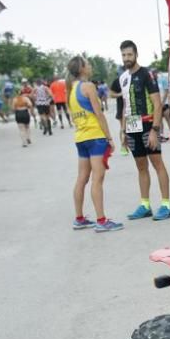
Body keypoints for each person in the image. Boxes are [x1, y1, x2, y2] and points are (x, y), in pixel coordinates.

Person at [118, 40, 170, 220]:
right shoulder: (123, 77)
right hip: (132, 127)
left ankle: (166, 205)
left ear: (136, 54)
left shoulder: (147, 74)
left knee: (158, 164)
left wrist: (155, 130)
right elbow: (126, 104)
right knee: (141, 167)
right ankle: (145, 205)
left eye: (129, 54)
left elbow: (157, 103)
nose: (126, 58)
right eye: (124, 55)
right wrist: (123, 130)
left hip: (148, 125)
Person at [66, 56, 122, 232]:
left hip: (81, 138)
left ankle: (79, 218)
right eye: (87, 64)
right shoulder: (88, 87)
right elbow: (99, 114)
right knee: (97, 179)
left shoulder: (71, 89)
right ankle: (101, 220)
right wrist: (110, 138)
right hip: (95, 137)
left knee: (82, 178)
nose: (90, 66)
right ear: (82, 68)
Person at [109, 74, 129, 155]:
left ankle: (133, 145)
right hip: (121, 107)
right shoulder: (118, 80)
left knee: (134, 128)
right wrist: (120, 94)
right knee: (123, 128)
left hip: (135, 106)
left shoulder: (135, 77)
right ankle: (123, 146)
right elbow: (111, 94)